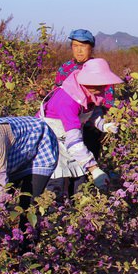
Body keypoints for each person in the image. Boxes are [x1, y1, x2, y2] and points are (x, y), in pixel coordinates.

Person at [39, 58, 122, 196]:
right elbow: (73, 140)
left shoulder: (89, 92)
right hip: (51, 143)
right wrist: (94, 169)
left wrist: (103, 125)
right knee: (56, 185)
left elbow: (91, 113)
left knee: (79, 181)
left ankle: (76, 210)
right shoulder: (68, 100)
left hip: (69, 141)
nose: (103, 89)